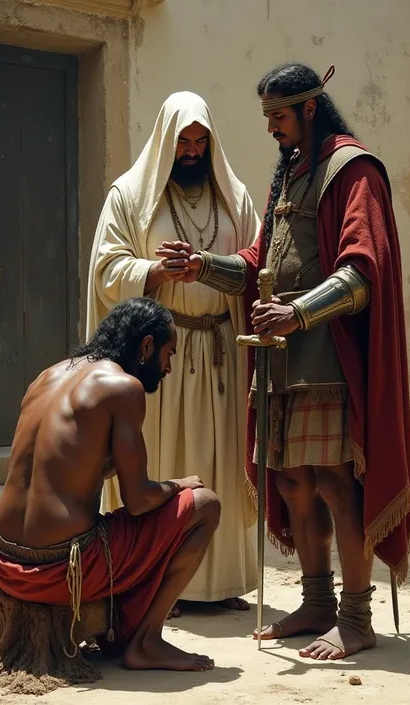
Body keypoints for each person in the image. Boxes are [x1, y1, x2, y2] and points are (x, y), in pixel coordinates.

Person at [155, 63, 410, 660]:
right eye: (267, 116)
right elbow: (257, 265)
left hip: (331, 361)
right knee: (295, 484)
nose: (271, 127)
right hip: (282, 362)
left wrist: (298, 315)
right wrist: (200, 265)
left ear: (308, 108)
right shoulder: (290, 173)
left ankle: (355, 616)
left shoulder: (353, 170)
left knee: (333, 481)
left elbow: (360, 273)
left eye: (278, 115)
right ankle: (318, 601)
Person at [87, 92, 260, 615]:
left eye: (200, 142)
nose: (191, 151)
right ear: (166, 142)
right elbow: (105, 268)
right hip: (157, 356)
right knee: (161, 460)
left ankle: (219, 579)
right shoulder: (129, 196)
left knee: (221, 463)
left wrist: (210, 266)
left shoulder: (235, 197)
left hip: (221, 351)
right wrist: (154, 273)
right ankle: (159, 581)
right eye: (182, 142)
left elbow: (258, 262)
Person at [0, 297, 220, 672]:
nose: (169, 367)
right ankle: (146, 642)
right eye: (168, 354)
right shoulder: (123, 388)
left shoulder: (48, 375)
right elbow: (140, 500)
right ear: (146, 346)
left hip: (1, 557)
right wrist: (177, 484)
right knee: (205, 504)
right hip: (61, 567)